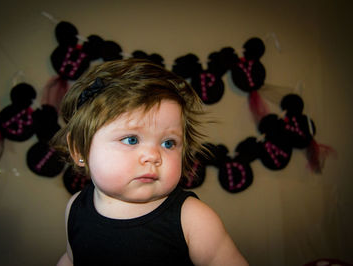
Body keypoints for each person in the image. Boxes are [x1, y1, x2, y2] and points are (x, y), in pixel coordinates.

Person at [52, 59, 248, 266]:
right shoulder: (76, 208)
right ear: (79, 149)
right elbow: (71, 258)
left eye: (168, 143)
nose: (154, 156)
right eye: (131, 140)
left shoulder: (193, 218)